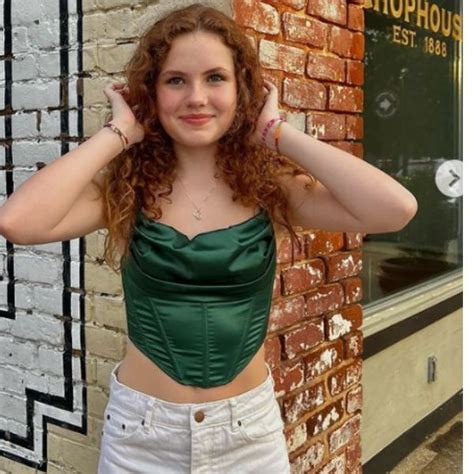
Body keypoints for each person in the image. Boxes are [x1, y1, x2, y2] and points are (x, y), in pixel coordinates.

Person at [0, 3, 418, 473]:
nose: (196, 97)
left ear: (242, 90)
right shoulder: (126, 189)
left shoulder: (269, 186)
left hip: (249, 437)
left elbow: (395, 209)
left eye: (216, 78)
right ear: (151, 94)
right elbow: (19, 222)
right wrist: (119, 132)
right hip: (141, 435)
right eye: (175, 80)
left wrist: (278, 134)